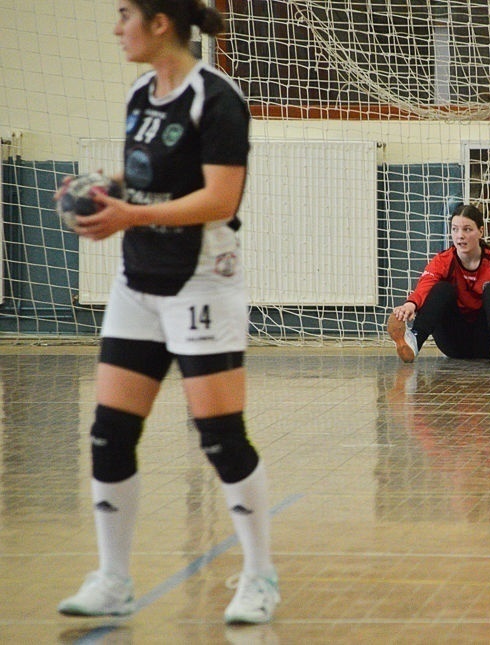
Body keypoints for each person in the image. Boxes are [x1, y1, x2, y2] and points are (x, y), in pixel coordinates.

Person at [56, 0, 278, 625]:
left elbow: (220, 199)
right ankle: (113, 579)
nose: (116, 28)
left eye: (125, 14)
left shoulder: (216, 98)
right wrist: (105, 191)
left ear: (160, 23)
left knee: (221, 439)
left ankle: (259, 576)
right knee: (109, 435)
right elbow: (147, 177)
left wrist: (130, 214)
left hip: (201, 284)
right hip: (137, 284)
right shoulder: (139, 95)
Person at [388, 204, 490, 363]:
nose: (460, 236)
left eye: (467, 229)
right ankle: (414, 339)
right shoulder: (443, 260)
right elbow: (424, 286)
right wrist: (410, 305)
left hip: (487, 343)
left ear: (481, 231)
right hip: (453, 342)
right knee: (441, 289)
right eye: (455, 229)